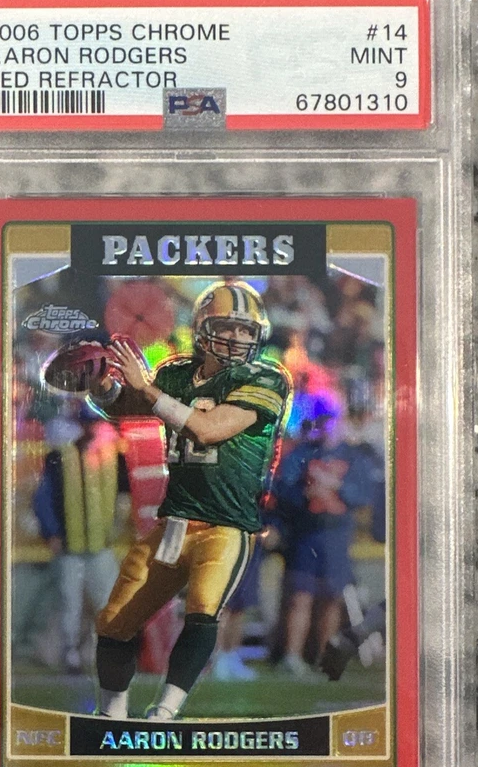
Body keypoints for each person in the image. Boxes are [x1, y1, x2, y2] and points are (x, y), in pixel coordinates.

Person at [87, 281, 291, 720]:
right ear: (202, 329)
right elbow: (125, 405)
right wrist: (99, 385)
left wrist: (149, 390)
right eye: (227, 327)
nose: (237, 337)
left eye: (245, 329)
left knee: (202, 610)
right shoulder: (178, 374)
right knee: (114, 621)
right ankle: (111, 714)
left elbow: (208, 429)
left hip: (225, 524)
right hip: (174, 523)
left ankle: (164, 712)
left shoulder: (263, 379)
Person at [273, 399, 385, 676]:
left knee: (332, 598)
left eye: (331, 421)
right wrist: (304, 494)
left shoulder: (354, 456)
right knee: (300, 596)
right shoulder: (302, 454)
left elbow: (363, 495)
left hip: (337, 535)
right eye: (322, 422)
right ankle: (292, 656)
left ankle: (323, 656)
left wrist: (337, 487)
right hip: (305, 534)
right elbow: (283, 490)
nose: (326, 428)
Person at [32, 405, 127, 673]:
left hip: (100, 544)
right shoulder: (60, 456)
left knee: (107, 600)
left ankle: (101, 651)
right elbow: (43, 497)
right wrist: (51, 532)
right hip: (70, 544)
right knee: (70, 602)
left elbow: (122, 495)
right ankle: (71, 653)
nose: (89, 429)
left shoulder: (109, 454)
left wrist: (116, 526)